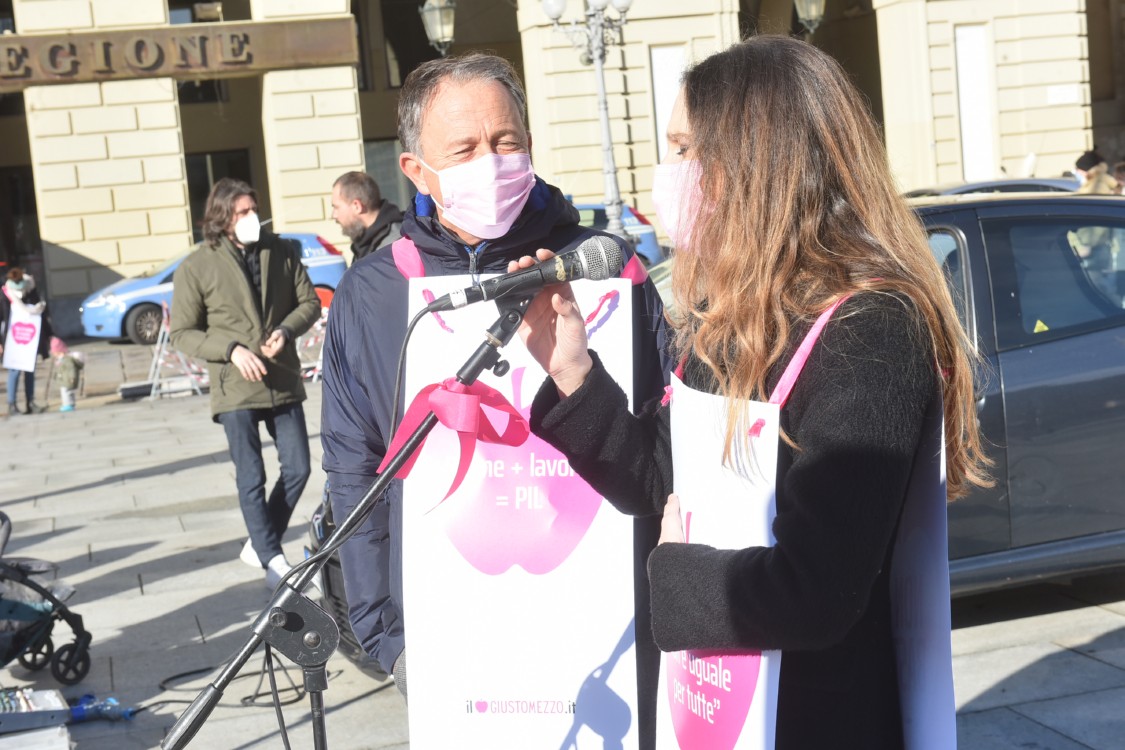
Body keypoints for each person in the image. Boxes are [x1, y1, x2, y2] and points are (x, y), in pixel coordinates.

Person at [516, 36, 990, 749]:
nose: (667, 174)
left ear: (757, 160)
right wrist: (572, 372)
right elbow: (662, 479)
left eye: (684, 149)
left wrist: (673, 580)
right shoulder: (736, 314)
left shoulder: (872, 327)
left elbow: (817, 589)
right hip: (722, 710)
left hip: (818, 723)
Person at [319, 51, 669, 727]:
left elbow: (662, 442)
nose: (491, 162)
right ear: (417, 169)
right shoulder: (373, 294)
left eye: (506, 142)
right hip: (451, 640)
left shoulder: (606, 268)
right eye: (465, 149)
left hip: (608, 634)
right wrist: (386, 636)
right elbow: (354, 469)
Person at [170, 178, 321, 589]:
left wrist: (287, 330)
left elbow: (309, 302)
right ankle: (273, 559)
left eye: (254, 209)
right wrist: (232, 350)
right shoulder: (197, 266)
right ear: (222, 218)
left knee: (299, 467)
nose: (252, 217)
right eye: (242, 212)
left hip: (281, 375)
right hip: (235, 385)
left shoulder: (281, 250)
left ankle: (260, 542)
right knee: (251, 475)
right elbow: (182, 332)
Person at [1, 267, 50, 416]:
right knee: (14, 372)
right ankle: (12, 405)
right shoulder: (5, 294)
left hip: (29, 338)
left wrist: (50, 334)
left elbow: (40, 312)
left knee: (30, 370)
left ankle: (30, 403)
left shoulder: (30, 290)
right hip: (12, 340)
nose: (20, 289)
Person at [330, 171, 404, 263]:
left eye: (336, 207)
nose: (334, 215)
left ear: (357, 206)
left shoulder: (396, 244)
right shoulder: (363, 243)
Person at [50, 337, 83, 412]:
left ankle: (67, 405)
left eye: (55, 353)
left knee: (66, 392)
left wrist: (72, 377)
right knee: (68, 392)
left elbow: (71, 369)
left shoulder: (67, 360)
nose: (54, 355)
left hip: (67, 380)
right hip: (65, 380)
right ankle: (70, 404)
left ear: (60, 352)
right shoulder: (62, 359)